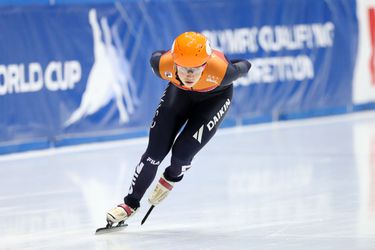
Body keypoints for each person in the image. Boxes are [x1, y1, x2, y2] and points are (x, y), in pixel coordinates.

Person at [106, 31, 251, 225]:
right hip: (179, 95)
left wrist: (222, 59)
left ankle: (172, 176)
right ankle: (130, 204)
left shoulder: (224, 72)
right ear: (174, 63)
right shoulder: (161, 65)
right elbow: (157, 55)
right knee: (154, 153)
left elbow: (245, 65)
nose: (190, 75)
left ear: (206, 64)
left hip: (215, 99)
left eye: (196, 69)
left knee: (182, 155)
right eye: (183, 69)